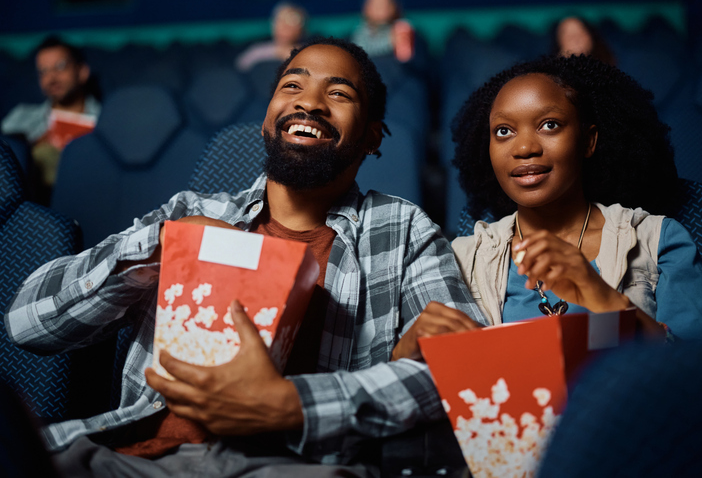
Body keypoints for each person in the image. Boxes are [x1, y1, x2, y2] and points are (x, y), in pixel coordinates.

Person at [5, 37, 486, 477]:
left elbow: (462, 370)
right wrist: (157, 244)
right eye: (292, 85)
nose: (309, 101)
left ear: (373, 138)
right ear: (267, 117)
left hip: (294, 466)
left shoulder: (401, 230)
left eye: (339, 94)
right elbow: (27, 323)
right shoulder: (189, 212)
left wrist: (292, 405)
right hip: (134, 457)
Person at [392, 55, 702, 362]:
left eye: (549, 125)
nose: (524, 148)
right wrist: (403, 354)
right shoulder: (462, 257)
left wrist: (604, 299)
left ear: (588, 140)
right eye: (503, 131)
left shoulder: (656, 239)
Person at [1, 35, 101, 203]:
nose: (51, 77)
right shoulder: (21, 117)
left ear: (82, 72)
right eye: (43, 71)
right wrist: (32, 144)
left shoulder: (106, 121)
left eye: (60, 67)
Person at [235, 1, 308, 72]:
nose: (285, 26)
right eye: (280, 20)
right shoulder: (257, 51)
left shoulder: (309, 53)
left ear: (301, 28)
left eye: (292, 21)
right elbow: (240, 67)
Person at [351, 0, 415, 63]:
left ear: (395, 6)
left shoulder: (411, 36)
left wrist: (404, 45)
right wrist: (390, 42)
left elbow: (421, 67)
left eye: (386, 2)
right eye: (376, 3)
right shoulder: (350, 41)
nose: (382, 7)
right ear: (365, 7)